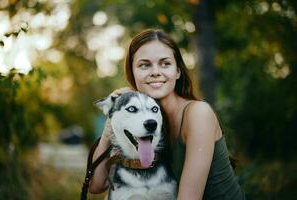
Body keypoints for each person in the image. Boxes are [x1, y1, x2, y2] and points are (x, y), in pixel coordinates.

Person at [89, 29, 245, 200]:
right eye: (144, 65)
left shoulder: (198, 113)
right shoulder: (144, 120)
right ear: (132, 73)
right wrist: (114, 114)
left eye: (165, 63)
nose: (155, 71)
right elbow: (96, 185)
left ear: (177, 71)